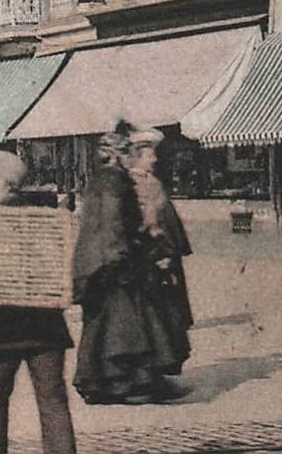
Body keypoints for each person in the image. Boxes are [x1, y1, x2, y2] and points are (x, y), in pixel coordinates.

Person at [0, 150, 75, 453]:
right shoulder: (45, 217)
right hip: (47, 328)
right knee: (53, 402)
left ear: (4, 182)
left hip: (3, 330)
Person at [71, 127, 185, 404]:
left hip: (100, 262)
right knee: (127, 324)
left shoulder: (100, 180)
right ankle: (127, 384)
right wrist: (123, 256)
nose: (129, 157)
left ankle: (105, 383)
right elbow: (112, 224)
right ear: (117, 155)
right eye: (126, 152)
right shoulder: (114, 182)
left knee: (106, 324)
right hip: (114, 263)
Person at [125, 127, 192, 375]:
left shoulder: (152, 182)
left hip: (166, 253)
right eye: (149, 154)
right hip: (154, 256)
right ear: (137, 157)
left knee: (170, 308)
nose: (154, 158)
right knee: (160, 311)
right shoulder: (137, 185)